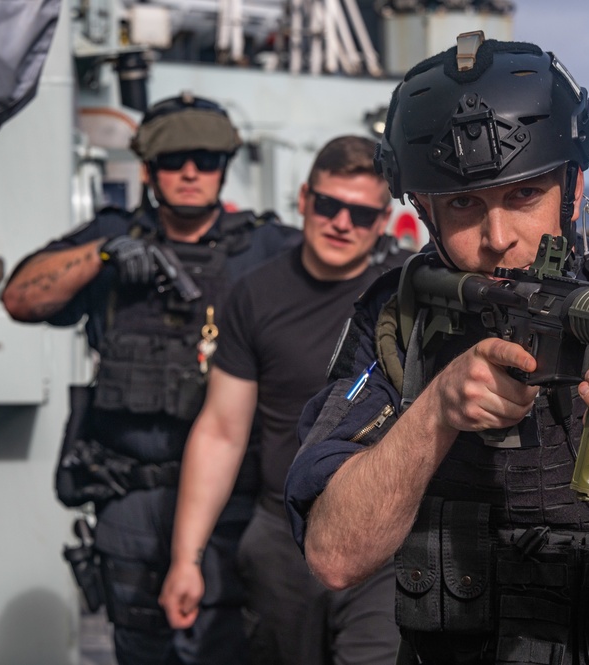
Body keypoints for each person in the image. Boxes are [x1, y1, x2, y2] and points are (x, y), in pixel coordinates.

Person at [283, 33, 589, 665]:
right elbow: (334, 555)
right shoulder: (400, 316)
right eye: (465, 204)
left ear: (573, 187)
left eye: (524, 194)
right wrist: (435, 412)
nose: (498, 238)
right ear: (423, 209)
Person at [1, 92, 298, 665]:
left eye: (205, 159)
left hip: (232, 508)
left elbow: (343, 280)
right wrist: (105, 257)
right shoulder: (112, 235)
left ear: (224, 167)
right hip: (132, 501)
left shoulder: (265, 245)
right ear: (148, 168)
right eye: (173, 159)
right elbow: (19, 297)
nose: (190, 172)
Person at [158, 135, 406, 665]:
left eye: (361, 214)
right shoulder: (254, 294)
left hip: (383, 541)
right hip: (281, 538)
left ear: (383, 221)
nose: (342, 223)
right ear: (303, 200)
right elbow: (222, 431)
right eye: (329, 205)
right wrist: (186, 558)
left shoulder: (404, 297)